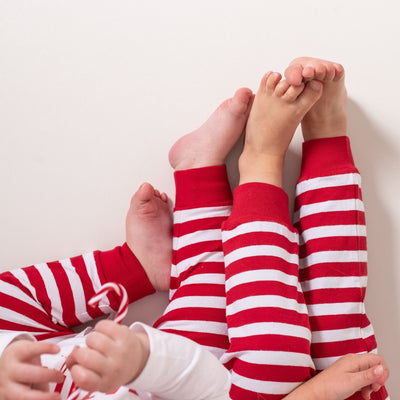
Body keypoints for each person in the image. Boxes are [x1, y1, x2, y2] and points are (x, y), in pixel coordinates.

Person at [0, 57, 390, 400]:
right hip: (185, 380)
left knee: (220, 330)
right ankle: (275, 159)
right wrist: (143, 362)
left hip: (115, 370)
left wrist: (5, 364)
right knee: (315, 357)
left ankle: (144, 255)